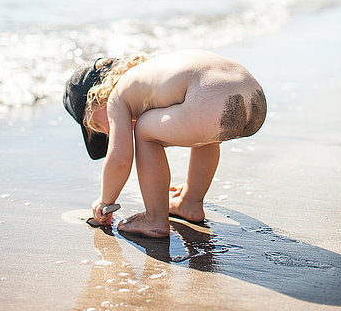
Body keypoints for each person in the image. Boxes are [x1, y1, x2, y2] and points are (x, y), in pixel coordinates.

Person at [63, 50, 266, 238]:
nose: (107, 133)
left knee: (144, 131)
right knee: (206, 133)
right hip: (256, 102)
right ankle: (190, 201)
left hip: (215, 103)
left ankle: (154, 219)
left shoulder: (118, 96)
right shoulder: (153, 75)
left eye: (96, 125)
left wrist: (105, 202)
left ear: (95, 97)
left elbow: (120, 160)